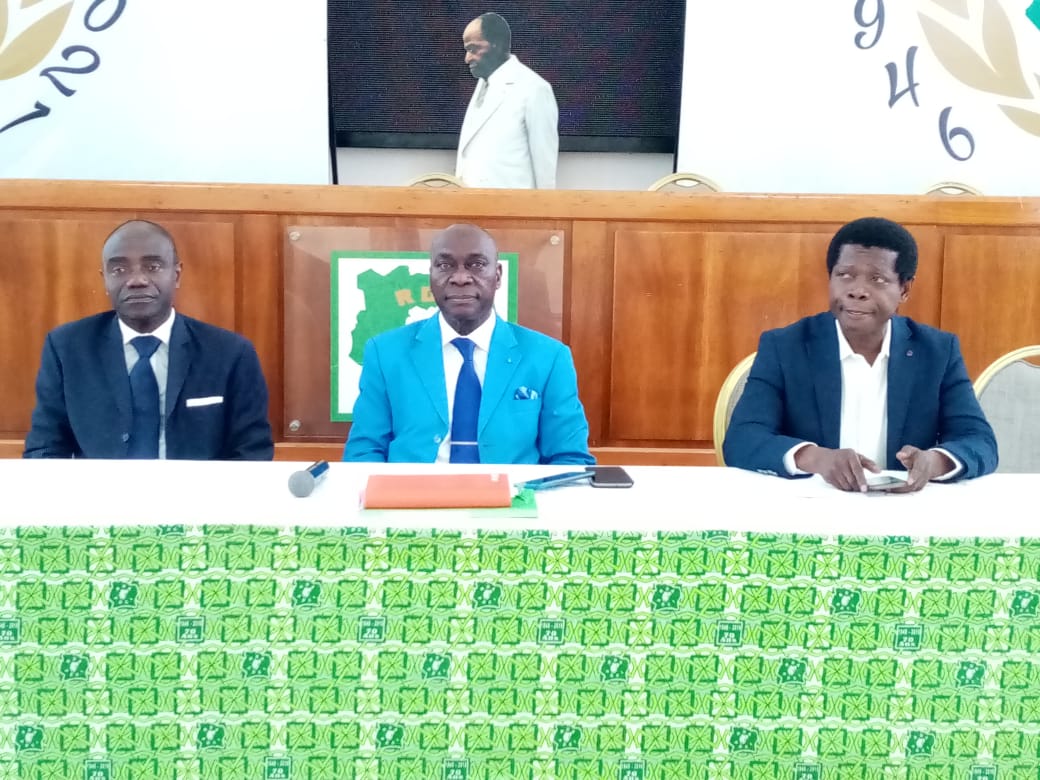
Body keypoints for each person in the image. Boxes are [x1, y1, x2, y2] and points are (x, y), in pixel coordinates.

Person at [723, 216, 997, 492]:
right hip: (812, 503)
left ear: (904, 289)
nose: (857, 291)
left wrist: (933, 462)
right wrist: (817, 458)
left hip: (901, 506)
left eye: (877, 279)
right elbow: (742, 439)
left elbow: (979, 441)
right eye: (845, 275)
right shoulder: (785, 346)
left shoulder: (937, 351)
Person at [24, 220, 274, 460]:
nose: (137, 280)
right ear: (105, 279)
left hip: (197, 490)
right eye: (119, 270)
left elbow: (252, 452)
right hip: (99, 490)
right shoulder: (67, 349)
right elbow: (44, 448)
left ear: (176, 275)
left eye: (153, 267)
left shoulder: (230, 354)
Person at [344, 223, 593, 464]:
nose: (461, 278)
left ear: (497, 276)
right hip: (411, 492)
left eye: (477, 265)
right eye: (445, 265)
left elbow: (569, 458)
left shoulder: (549, 358)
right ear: (431, 276)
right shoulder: (385, 353)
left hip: (511, 492)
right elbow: (364, 452)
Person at [455, 12, 558, 189]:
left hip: (512, 205)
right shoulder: (482, 84)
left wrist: (546, 206)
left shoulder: (534, 88)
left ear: (497, 44)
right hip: (469, 202)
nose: (467, 58)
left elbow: (545, 169)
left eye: (473, 49)